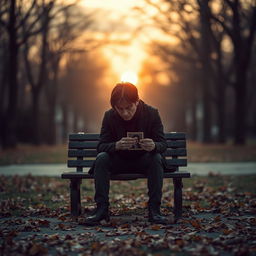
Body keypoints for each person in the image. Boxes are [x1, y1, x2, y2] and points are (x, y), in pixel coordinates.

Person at [86, 82, 168, 225]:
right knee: (102, 158)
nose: (124, 113)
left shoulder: (151, 113)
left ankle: (154, 210)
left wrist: (154, 145)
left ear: (137, 101)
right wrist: (116, 145)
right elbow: (101, 146)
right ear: (114, 107)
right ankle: (101, 210)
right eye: (120, 109)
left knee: (156, 158)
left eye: (129, 108)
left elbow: (163, 144)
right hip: (119, 161)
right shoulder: (109, 116)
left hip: (144, 160)